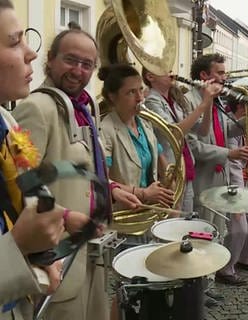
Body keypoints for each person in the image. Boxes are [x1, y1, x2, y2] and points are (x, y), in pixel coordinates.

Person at [13, 30, 140, 320]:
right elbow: (21, 184)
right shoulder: (37, 107)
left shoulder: (85, 106)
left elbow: (85, 169)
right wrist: (66, 216)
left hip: (92, 251)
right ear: (51, 60)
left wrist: (110, 188)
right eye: (70, 60)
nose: (78, 71)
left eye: (87, 65)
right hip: (57, 257)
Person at [0, 1, 66, 319]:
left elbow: (27, 188)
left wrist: (42, 246)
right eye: (14, 41)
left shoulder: (7, 122)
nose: (31, 53)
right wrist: (18, 247)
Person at [185, 53, 248, 234]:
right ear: (203, 75)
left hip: (220, 174)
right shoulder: (189, 100)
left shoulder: (216, 100)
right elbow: (192, 145)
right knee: (202, 230)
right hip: (202, 176)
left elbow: (225, 130)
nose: (225, 78)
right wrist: (229, 154)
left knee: (218, 230)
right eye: (220, 73)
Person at [142, 68, 222, 212]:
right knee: (174, 224)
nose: (172, 72)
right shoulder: (151, 100)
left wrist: (208, 102)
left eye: (171, 68)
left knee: (186, 223)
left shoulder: (175, 101)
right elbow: (174, 133)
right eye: (165, 69)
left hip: (185, 169)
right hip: (168, 174)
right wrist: (203, 103)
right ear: (150, 76)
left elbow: (203, 131)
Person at [98, 64, 174, 209]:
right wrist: (143, 193)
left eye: (140, 89)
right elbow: (102, 180)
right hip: (123, 215)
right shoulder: (105, 129)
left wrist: (170, 187)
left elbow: (162, 162)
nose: (140, 98)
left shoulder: (145, 123)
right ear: (112, 97)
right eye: (131, 92)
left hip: (148, 211)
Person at [215, 87, 248, 286]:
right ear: (241, 106)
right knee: (239, 229)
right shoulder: (228, 124)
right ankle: (225, 269)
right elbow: (233, 165)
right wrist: (237, 204)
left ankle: (243, 258)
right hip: (232, 185)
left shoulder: (239, 124)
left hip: (242, 182)